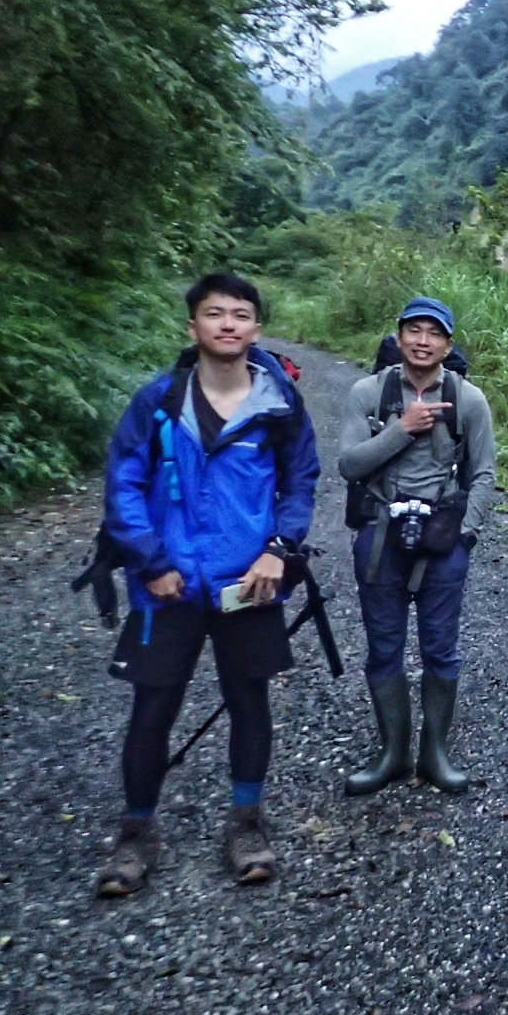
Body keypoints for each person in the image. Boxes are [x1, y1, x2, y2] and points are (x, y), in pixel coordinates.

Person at [95, 273, 320, 897]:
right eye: (215, 313)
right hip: (166, 584)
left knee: (250, 704)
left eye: (241, 314)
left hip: (247, 583)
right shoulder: (158, 400)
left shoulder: (278, 402)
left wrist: (279, 550)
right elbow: (124, 486)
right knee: (152, 710)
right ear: (192, 325)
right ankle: (136, 833)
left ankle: (246, 823)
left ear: (256, 327)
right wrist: (149, 561)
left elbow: (301, 481)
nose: (228, 324)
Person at [338, 297, 496, 796]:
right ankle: (391, 755)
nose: (423, 341)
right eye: (414, 330)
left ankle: (435, 754)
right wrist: (401, 429)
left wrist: (466, 535)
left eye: (434, 333)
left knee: (441, 650)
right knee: (383, 649)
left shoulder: (468, 399)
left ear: (449, 344)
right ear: (400, 336)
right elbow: (349, 464)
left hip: (443, 538)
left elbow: (485, 473)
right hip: (381, 535)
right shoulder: (369, 392)